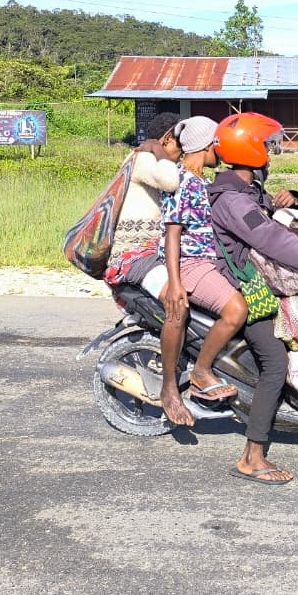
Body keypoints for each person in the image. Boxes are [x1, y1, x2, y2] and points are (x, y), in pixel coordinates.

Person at [208, 112, 298, 485]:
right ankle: (251, 456)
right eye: (267, 147)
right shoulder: (233, 201)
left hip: (255, 276)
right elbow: (273, 241)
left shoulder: (246, 191)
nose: (271, 154)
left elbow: (270, 220)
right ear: (251, 150)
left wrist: (291, 201)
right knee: (275, 361)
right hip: (242, 285)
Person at [157, 116, 249, 414]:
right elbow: (173, 233)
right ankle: (200, 371)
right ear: (207, 146)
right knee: (236, 310)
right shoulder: (183, 182)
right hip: (190, 264)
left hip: (204, 262)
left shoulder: (200, 182)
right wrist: (174, 282)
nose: (221, 151)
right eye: (217, 144)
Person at [101, 113, 187, 421]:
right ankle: (169, 388)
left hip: (151, 254)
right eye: (179, 142)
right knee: (177, 301)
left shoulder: (155, 159)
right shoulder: (143, 160)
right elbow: (171, 181)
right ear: (166, 138)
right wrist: (160, 150)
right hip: (133, 257)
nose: (183, 150)